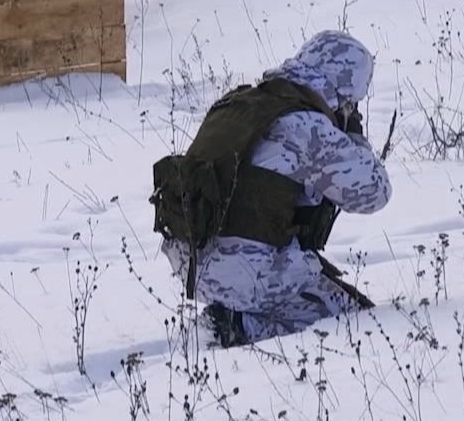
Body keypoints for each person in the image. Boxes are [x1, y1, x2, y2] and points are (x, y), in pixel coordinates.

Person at [151, 30, 391, 347]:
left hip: (193, 263)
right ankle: (236, 327)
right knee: (352, 321)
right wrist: (354, 133)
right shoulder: (308, 125)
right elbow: (374, 193)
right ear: (346, 91)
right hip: (246, 272)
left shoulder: (239, 102)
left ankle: (232, 313)